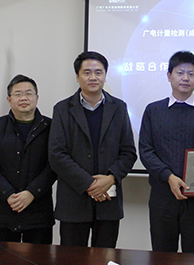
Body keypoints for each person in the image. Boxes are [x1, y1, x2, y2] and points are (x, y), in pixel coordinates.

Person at [139, 50, 194, 253]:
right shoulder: (153, 110)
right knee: (162, 258)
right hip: (162, 198)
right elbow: (146, 151)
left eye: (191, 74)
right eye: (180, 72)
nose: (185, 78)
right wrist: (169, 176)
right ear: (169, 76)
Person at [49, 51, 137, 248]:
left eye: (98, 72)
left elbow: (128, 152)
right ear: (77, 76)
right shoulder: (62, 109)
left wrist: (110, 179)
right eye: (87, 72)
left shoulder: (119, 108)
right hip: (74, 201)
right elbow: (57, 155)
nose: (93, 77)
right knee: (72, 260)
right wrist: (89, 184)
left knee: (105, 260)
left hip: (108, 201)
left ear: (105, 76)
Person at [0, 74, 57, 244]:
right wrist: (8, 194)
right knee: (3, 258)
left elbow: (54, 165)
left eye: (28, 93)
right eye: (18, 94)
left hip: (38, 212)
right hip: (4, 210)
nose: (23, 98)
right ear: (9, 99)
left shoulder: (51, 127)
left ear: (36, 97)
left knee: (38, 258)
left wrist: (31, 192)